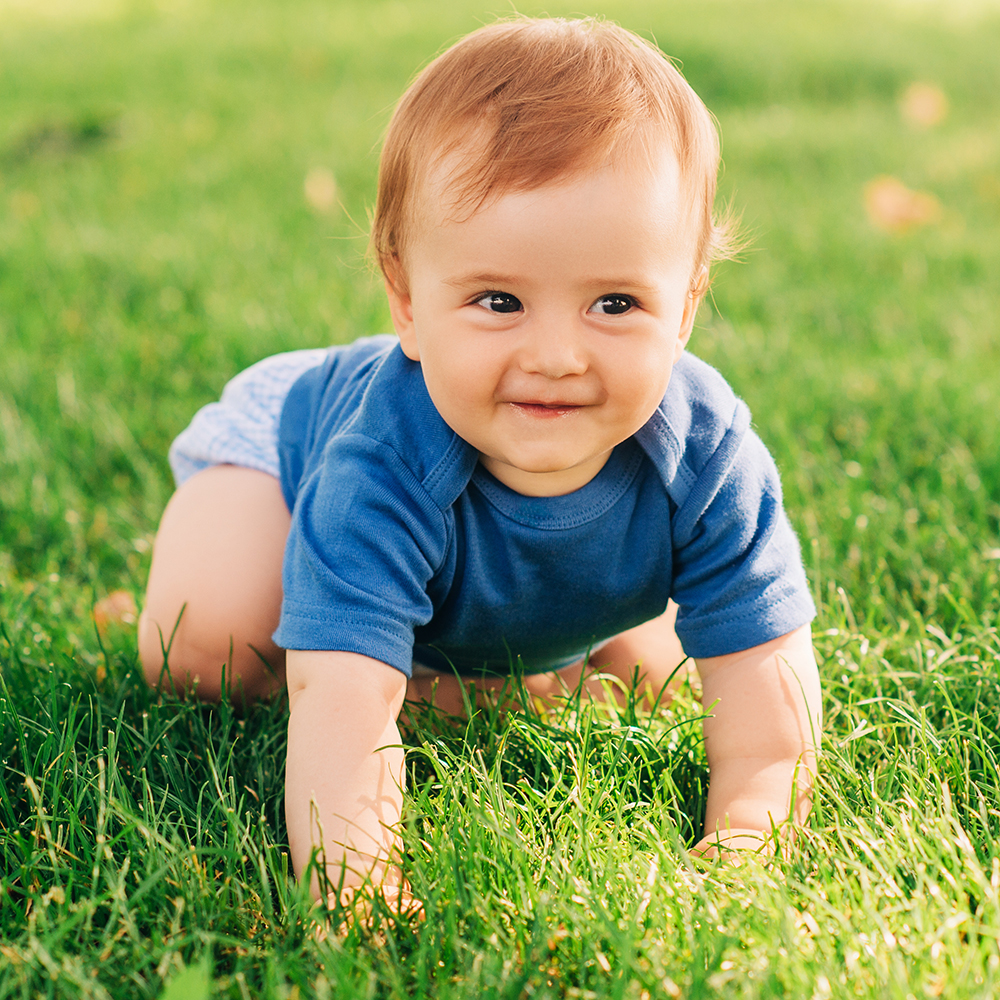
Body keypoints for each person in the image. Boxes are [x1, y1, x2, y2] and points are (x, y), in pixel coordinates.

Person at [138, 16, 822, 907]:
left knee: (670, 678)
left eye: (614, 303)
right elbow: (340, 708)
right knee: (206, 652)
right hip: (286, 455)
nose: (556, 356)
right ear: (407, 300)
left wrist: (745, 845)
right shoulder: (379, 462)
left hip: (506, 531)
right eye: (500, 301)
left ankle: (500, 665)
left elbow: (770, 704)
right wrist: (359, 893)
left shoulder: (707, 455)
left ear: (687, 306)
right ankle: (442, 663)